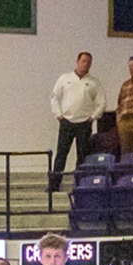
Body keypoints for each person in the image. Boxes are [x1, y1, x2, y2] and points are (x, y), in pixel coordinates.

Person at [49, 51, 106, 192]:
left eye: (89, 62)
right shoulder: (65, 78)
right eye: (84, 61)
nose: (86, 64)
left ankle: (80, 184)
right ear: (77, 61)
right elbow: (55, 97)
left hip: (84, 123)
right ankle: (54, 185)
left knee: (83, 155)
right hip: (66, 122)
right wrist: (59, 115)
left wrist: (93, 117)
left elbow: (101, 103)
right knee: (61, 154)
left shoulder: (94, 82)